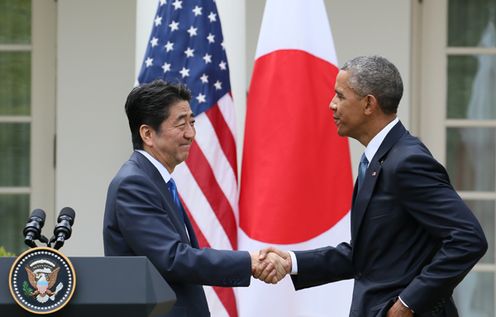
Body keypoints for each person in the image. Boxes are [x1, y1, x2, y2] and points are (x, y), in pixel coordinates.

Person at [260, 55, 488, 317]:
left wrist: (408, 304)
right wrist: (292, 262)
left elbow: (468, 239)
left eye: (340, 96)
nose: (331, 105)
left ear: (369, 104)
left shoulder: (407, 161)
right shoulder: (377, 158)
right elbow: (366, 255)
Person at [103, 80, 283, 317]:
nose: (191, 133)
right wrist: (249, 262)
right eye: (181, 124)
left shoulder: (154, 180)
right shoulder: (134, 184)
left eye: (192, 122)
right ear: (147, 133)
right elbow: (173, 258)